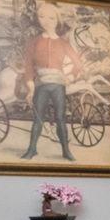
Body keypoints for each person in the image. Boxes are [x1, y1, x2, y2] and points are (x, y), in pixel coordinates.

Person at [19, 19, 79, 161]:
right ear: (40, 20)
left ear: (56, 20)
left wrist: (70, 76)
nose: (47, 21)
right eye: (42, 17)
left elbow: (78, 64)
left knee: (60, 118)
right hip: (41, 84)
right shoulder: (34, 42)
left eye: (51, 18)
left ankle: (66, 151)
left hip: (58, 85)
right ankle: (32, 149)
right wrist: (31, 88)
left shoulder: (63, 43)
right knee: (38, 119)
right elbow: (28, 66)